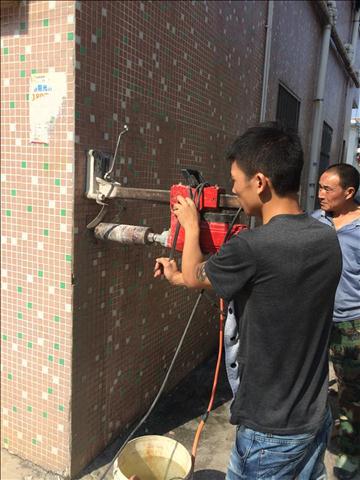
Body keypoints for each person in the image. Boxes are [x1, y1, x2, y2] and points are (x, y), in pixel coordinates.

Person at [154, 122, 342, 479]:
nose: (234, 190)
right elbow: (273, 287)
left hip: (269, 431)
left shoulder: (252, 248)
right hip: (313, 417)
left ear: (260, 182)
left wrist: (192, 226)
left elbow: (197, 277)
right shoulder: (325, 238)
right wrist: (179, 275)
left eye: (236, 180)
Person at [312, 164, 360, 480]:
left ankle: (350, 452)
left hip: (351, 325)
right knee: (313, 385)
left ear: (349, 192)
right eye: (319, 187)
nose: (320, 194)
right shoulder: (317, 221)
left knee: (351, 392)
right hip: (315, 321)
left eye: (327, 189)